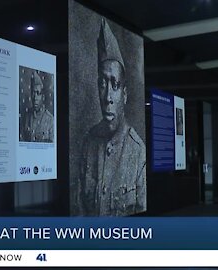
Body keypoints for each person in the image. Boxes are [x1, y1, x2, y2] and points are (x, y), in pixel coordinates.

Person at [77, 19, 146, 216]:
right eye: (102, 84)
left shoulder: (137, 153)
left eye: (114, 85)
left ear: (124, 94)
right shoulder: (89, 144)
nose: (107, 97)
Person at [22, 71, 54, 143]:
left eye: (38, 93)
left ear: (43, 97)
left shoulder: (50, 120)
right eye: (33, 93)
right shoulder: (26, 117)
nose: (35, 97)